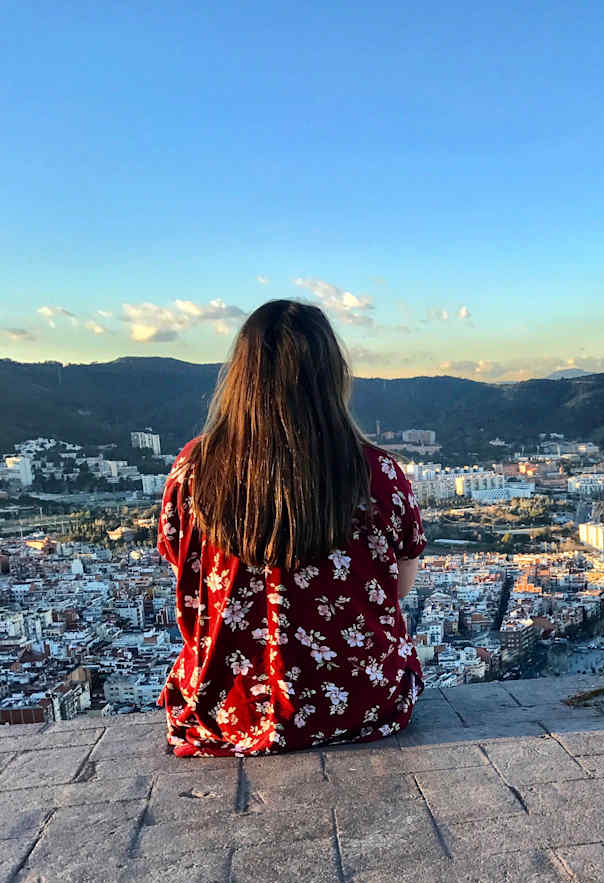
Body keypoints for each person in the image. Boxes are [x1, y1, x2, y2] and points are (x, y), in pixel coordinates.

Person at [156, 300, 426, 756]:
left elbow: (184, 571)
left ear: (241, 376)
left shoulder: (193, 470)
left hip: (229, 709)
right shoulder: (377, 473)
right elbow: (397, 588)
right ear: (333, 375)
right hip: (360, 702)